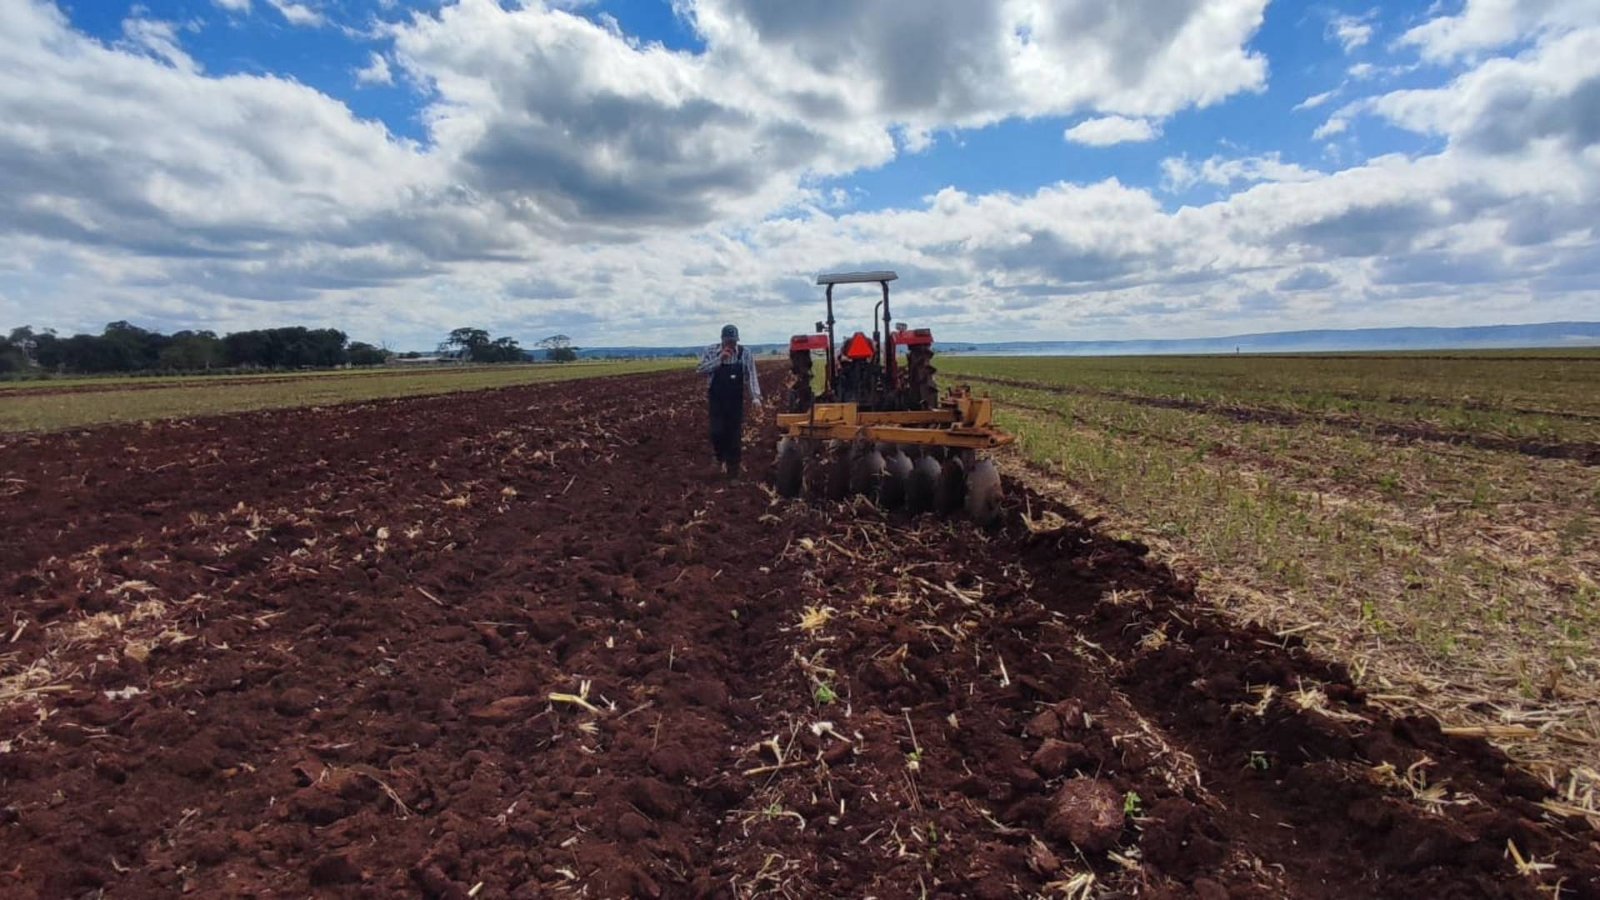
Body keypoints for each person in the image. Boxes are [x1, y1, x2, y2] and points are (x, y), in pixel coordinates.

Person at [696, 324, 762, 477]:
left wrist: (755, 398)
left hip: (735, 401)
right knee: (716, 431)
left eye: (734, 341)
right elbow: (700, 369)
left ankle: (733, 472)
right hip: (717, 399)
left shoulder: (745, 353)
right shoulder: (711, 351)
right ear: (722, 340)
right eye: (728, 341)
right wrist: (720, 359)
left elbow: (751, 375)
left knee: (734, 436)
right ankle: (719, 459)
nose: (731, 344)